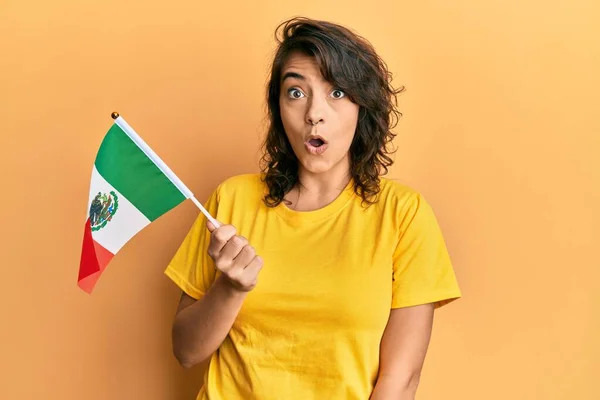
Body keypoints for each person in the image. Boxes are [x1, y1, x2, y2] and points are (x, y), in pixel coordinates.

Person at [165, 16, 461, 400]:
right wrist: (231, 287)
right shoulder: (232, 200)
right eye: (296, 93)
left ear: (363, 106)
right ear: (278, 109)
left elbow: (400, 381)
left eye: (336, 93)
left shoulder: (403, 214)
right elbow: (186, 352)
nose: (313, 114)